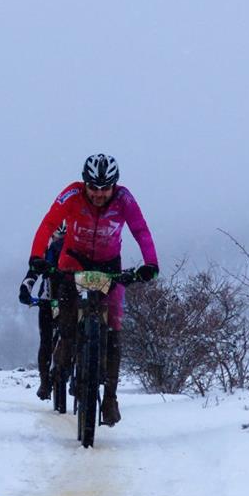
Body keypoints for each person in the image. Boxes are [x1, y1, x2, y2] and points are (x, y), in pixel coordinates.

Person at [27, 154, 158, 426]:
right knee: (67, 326)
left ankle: (109, 399)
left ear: (114, 185)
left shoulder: (124, 199)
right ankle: (62, 362)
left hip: (109, 265)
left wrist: (151, 264)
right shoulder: (72, 194)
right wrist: (37, 256)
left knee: (114, 330)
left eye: (105, 188)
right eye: (93, 188)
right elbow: (49, 223)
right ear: (84, 183)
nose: (99, 194)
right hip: (73, 261)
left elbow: (140, 230)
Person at [19, 224, 65, 400]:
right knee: (47, 340)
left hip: (58, 300)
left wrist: (25, 290)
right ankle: (45, 381)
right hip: (51, 299)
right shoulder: (47, 253)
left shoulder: (74, 252)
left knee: (48, 341)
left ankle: (45, 383)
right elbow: (32, 273)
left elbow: (31, 275)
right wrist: (25, 289)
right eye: (58, 238)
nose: (60, 242)